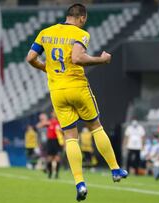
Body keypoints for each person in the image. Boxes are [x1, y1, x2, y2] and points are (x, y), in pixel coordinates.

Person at [26, 3, 127, 201]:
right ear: (81, 18)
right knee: (96, 127)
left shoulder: (45, 32)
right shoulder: (80, 34)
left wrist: (47, 69)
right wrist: (102, 59)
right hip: (77, 87)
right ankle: (115, 170)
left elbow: (30, 58)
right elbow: (78, 57)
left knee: (71, 137)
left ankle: (79, 183)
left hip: (57, 91)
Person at [45, 111, 63, 179]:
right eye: (53, 112)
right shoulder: (49, 122)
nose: (54, 114)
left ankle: (56, 174)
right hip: (50, 141)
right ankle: (50, 173)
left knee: (57, 158)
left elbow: (63, 132)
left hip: (57, 141)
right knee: (49, 158)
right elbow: (40, 125)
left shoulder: (60, 122)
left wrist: (60, 130)